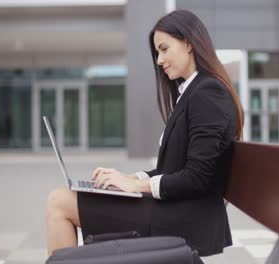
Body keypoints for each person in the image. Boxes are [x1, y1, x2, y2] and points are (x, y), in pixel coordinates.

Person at [45, 9, 244, 257]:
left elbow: (196, 178)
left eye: (164, 49)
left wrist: (135, 184)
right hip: (174, 208)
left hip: (183, 216)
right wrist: (127, 178)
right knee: (62, 198)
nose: (159, 60)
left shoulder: (207, 93)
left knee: (59, 202)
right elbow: (172, 169)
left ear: (189, 43)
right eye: (157, 52)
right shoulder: (194, 92)